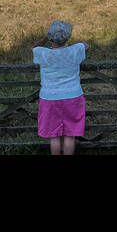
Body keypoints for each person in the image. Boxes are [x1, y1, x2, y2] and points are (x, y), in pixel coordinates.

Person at [33, 20, 86, 155]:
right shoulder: (76, 50)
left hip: (49, 98)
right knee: (70, 135)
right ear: (67, 36)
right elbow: (86, 45)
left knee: (54, 136)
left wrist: (46, 37)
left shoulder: (43, 53)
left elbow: (35, 47)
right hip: (73, 97)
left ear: (51, 37)